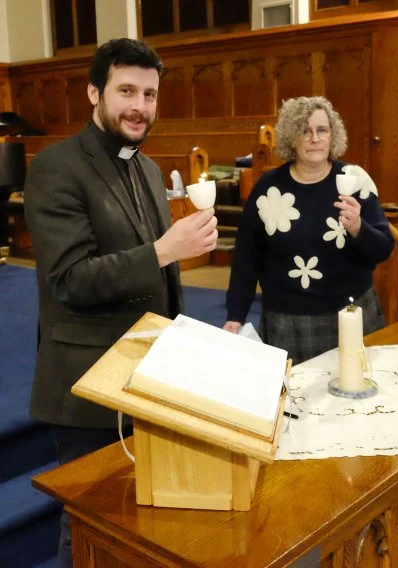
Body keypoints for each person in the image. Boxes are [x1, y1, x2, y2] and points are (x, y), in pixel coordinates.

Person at [24, 38, 218, 567]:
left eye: (150, 94)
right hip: (88, 380)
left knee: (138, 524)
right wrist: (163, 250)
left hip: (149, 375)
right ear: (94, 92)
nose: (139, 106)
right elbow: (69, 279)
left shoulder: (149, 169)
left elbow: (162, 279)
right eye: (126, 91)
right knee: (87, 526)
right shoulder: (56, 167)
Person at [224, 96, 394, 364]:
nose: (314, 138)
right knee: (295, 403)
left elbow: (383, 248)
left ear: (332, 135)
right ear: (292, 138)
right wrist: (235, 315)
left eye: (322, 130)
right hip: (289, 323)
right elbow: (246, 258)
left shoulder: (355, 179)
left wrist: (358, 227)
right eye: (305, 131)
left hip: (351, 314)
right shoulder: (268, 189)